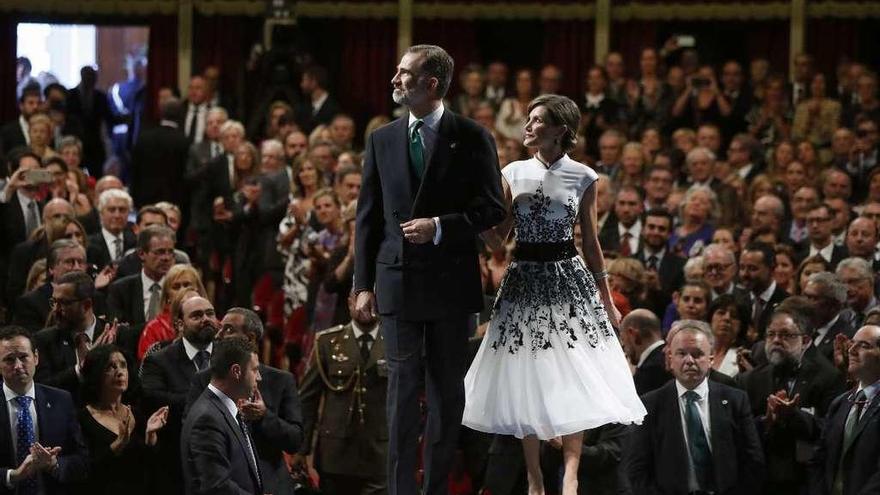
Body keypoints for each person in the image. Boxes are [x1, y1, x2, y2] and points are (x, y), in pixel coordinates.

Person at [463, 93, 645, 495]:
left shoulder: (583, 176)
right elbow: (497, 241)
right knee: (528, 371)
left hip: (567, 277)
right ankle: (534, 476)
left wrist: (608, 299)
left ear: (561, 129)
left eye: (537, 119)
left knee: (571, 370)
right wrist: (474, 211)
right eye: (527, 118)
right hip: (524, 278)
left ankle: (572, 471)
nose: (527, 126)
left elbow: (592, 242)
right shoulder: (513, 171)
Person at [353, 44, 506, 495]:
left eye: (404, 73)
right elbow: (367, 218)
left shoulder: (473, 136)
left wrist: (440, 226)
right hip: (397, 281)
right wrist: (362, 285)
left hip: (449, 285)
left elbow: (492, 209)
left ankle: (433, 489)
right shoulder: (381, 139)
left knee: (445, 397)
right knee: (401, 395)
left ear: (431, 84)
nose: (395, 80)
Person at [626, 320, 765, 494]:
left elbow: (753, 461)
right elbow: (637, 470)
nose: (689, 360)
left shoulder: (735, 400)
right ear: (670, 358)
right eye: (681, 353)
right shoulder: (650, 405)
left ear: (711, 359)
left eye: (697, 354)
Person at [186, 308, 303, 495]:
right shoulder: (204, 380)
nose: (218, 335)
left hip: (273, 484)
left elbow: (295, 440)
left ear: (250, 338)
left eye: (229, 330)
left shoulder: (281, 381)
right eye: (220, 328)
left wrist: (264, 416)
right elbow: (196, 436)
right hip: (228, 483)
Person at [737, 308, 844, 495]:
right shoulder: (749, 380)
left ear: (805, 341)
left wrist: (794, 416)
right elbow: (737, 430)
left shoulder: (828, 377)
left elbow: (833, 430)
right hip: (760, 479)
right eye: (771, 334)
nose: (776, 340)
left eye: (786, 335)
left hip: (804, 480)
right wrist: (766, 421)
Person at [297, 293, 387, 494]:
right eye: (358, 298)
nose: (364, 306)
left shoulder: (394, 343)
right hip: (335, 456)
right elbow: (307, 399)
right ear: (349, 303)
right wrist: (301, 450)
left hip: (380, 454)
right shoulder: (327, 342)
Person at [141, 295, 219, 495]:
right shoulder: (158, 361)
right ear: (179, 324)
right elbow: (154, 398)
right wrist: (213, 399)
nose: (206, 319)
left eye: (210, 313)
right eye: (197, 315)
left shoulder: (229, 356)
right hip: (176, 459)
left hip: (223, 457)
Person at [0, 325, 89, 493]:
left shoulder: (61, 400)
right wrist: (12, 475)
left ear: (36, 358)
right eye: (9, 359)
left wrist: (54, 464)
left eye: (23, 357)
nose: (18, 365)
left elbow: (82, 461)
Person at [78, 344, 169, 495]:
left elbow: (152, 467)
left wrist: (150, 438)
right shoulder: (82, 419)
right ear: (96, 373)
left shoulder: (137, 414)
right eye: (111, 367)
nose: (120, 372)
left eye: (123, 366)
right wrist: (116, 446)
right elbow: (84, 472)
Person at [181, 336, 263, 495]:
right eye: (254, 370)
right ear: (236, 371)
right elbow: (216, 487)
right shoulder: (207, 419)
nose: (259, 377)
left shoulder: (224, 409)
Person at [812, 324, 880, 495]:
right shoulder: (840, 403)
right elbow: (820, 459)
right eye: (852, 343)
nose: (852, 350)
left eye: (864, 345)